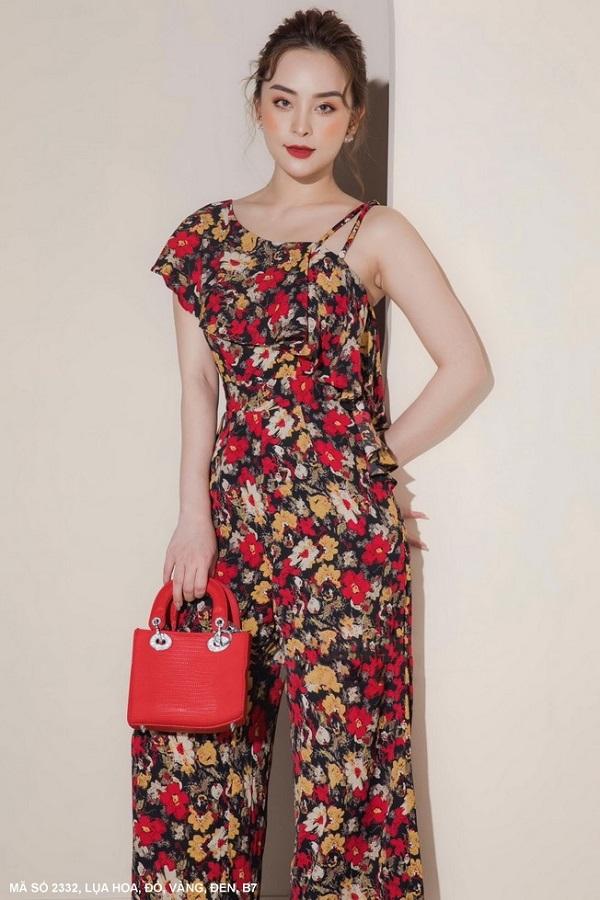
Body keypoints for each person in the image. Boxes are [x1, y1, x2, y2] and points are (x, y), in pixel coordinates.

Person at [131, 8, 489, 899]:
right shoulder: (203, 238)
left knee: (350, 782)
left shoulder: (375, 232)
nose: (302, 124)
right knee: (196, 774)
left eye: (326, 106)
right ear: (257, 103)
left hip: (345, 545)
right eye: (285, 100)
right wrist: (192, 517)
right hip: (231, 532)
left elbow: (466, 367)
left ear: (352, 118)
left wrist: (369, 464)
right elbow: (199, 386)